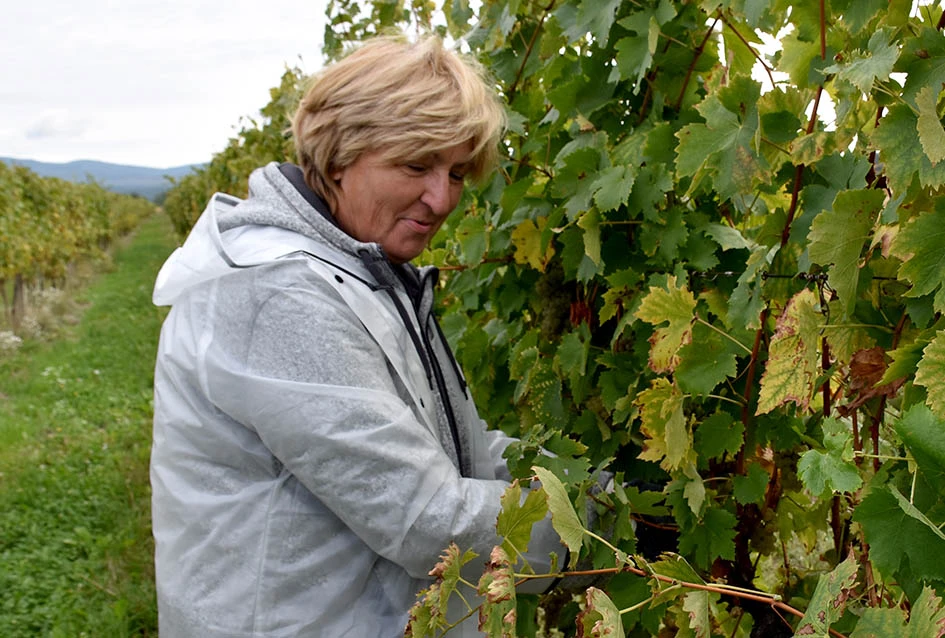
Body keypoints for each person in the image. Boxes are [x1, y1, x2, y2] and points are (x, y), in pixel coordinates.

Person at [149, 35, 563, 637]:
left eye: (455, 173)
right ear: (339, 156)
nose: (442, 198)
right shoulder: (280, 296)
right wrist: (597, 525)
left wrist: (577, 481)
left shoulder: (361, 269)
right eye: (416, 165)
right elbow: (426, 516)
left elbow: (446, 443)